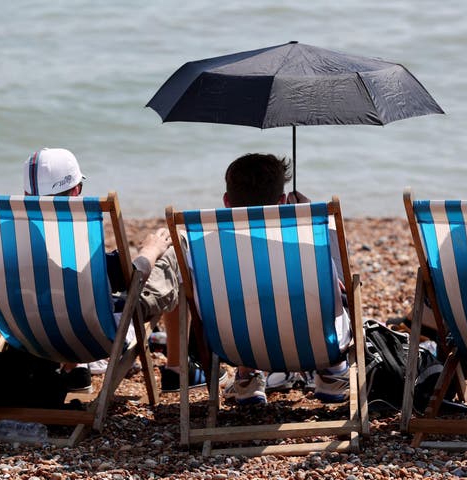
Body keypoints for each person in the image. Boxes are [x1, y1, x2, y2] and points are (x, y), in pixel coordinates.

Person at [23, 148, 183, 391]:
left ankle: (74, 371)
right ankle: (178, 370)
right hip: (95, 339)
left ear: (25, 193)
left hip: (29, 338)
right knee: (174, 246)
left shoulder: (3, 237)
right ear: (76, 191)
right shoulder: (74, 239)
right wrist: (150, 250)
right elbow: (129, 278)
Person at [222, 153, 352, 405]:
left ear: (226, 200)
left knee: (242, 301)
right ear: (282, 200)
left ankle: (248, 376)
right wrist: (307, 218)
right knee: (336, 288)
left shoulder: (210, 245)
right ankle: (332, 372)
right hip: (314, 345)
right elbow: (343, 282)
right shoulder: (315, 237)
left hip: (236, 345)